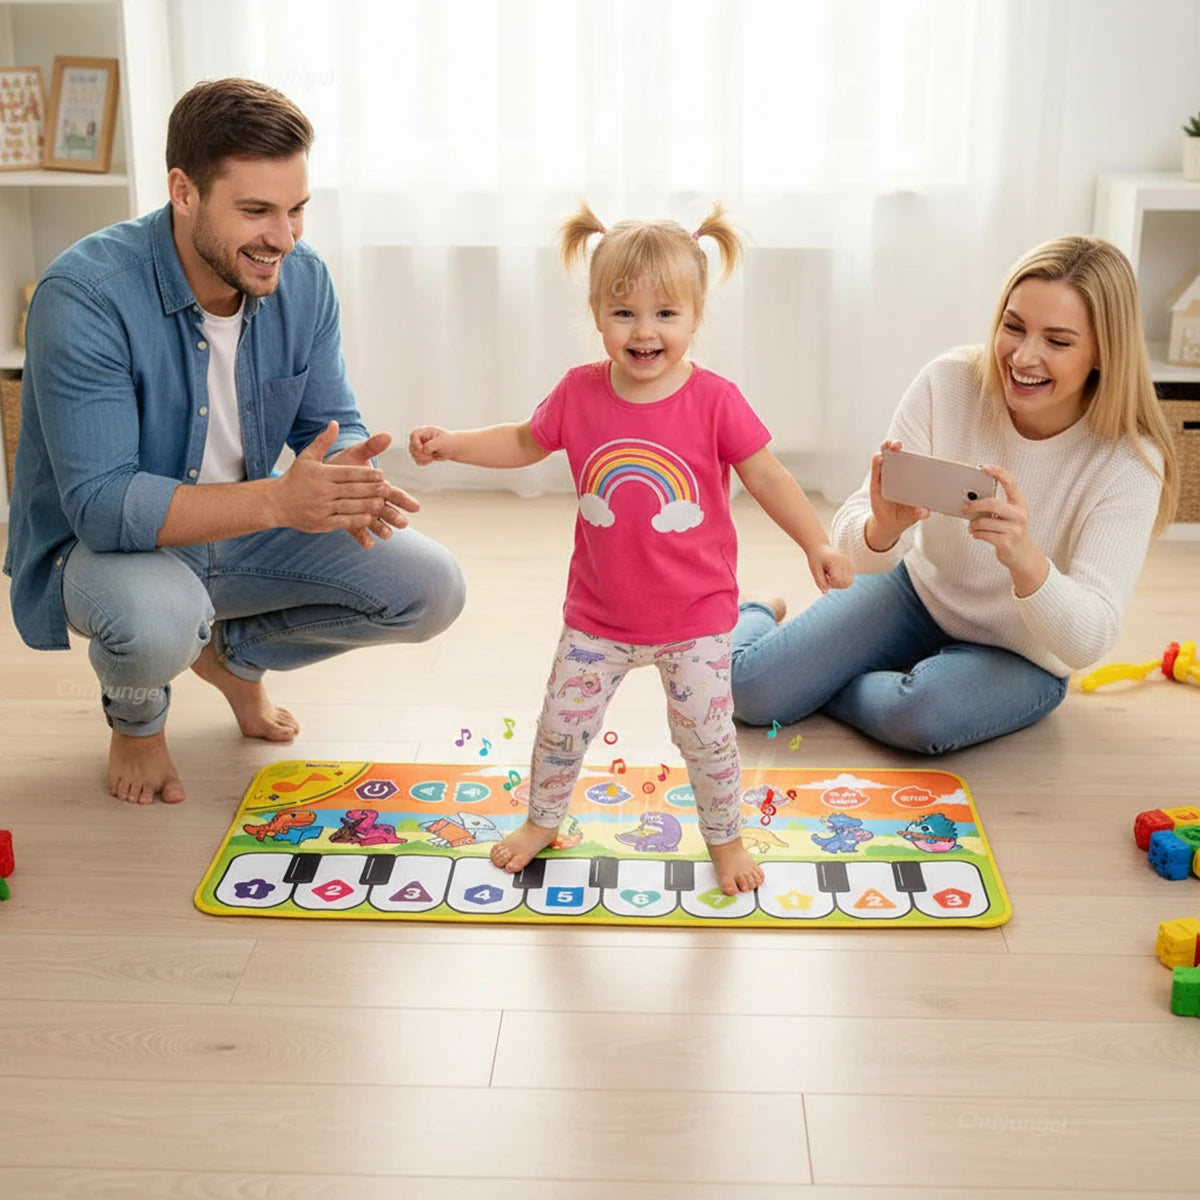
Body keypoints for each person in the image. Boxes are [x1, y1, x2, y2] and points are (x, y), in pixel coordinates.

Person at [3, 79, 465, 805]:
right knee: (155, 627)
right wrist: (282, 501)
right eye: (255, 211)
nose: (282, 237)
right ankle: (136, 718)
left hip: (245, 526)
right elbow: (101, 506)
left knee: (431, 589)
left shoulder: (301, 279)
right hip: (110, 551)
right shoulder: (85, 297)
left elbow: (329, 419)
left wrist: (345, 470)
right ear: (183, 192)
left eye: (295, 210)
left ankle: (231, 657)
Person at [408, 203, 853, 894]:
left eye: (666, 315)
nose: (645, 332)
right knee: (561, 728)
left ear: (696, 316)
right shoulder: (579, 392)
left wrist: (816, 543)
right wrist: (455, 445)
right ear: (595, 314)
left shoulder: (715, 400)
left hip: (696, 618)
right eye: (625, 315)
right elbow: (527, 441)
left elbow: (768, 475)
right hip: (599, 618)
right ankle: (542, 820)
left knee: (706, 741)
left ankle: (726, 838)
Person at [730, 235, 1179, 755]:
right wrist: (882, 530)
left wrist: (1026, 562)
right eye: (1014, 327)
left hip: (1024, 652)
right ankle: (760, 612)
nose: (1024, 356)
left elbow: (1089, 641)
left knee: (922, 716)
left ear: (1104, 351)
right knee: (751, 693)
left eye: (1057, 341)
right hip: (920, 593)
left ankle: (843, 680)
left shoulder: (1129, 462)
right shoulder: (950, 382)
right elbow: (853, 550)